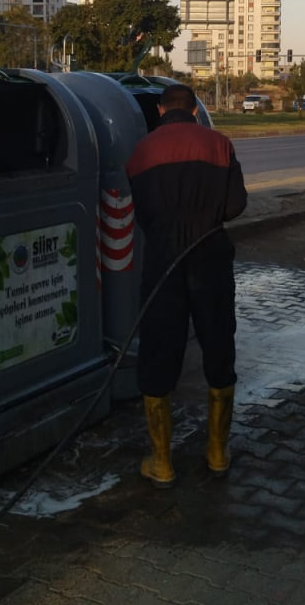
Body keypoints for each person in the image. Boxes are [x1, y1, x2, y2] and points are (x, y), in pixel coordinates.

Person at [125, 83, 248, 487]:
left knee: (160, 352)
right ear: (195, 110)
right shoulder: (220, 144)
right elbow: (235, 207)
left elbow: (142, 212)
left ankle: (161, 462)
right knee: (218, 346)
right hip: (210, 259)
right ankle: (216, 454)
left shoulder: (142, 151)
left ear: (161, 112)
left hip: (162, 263)